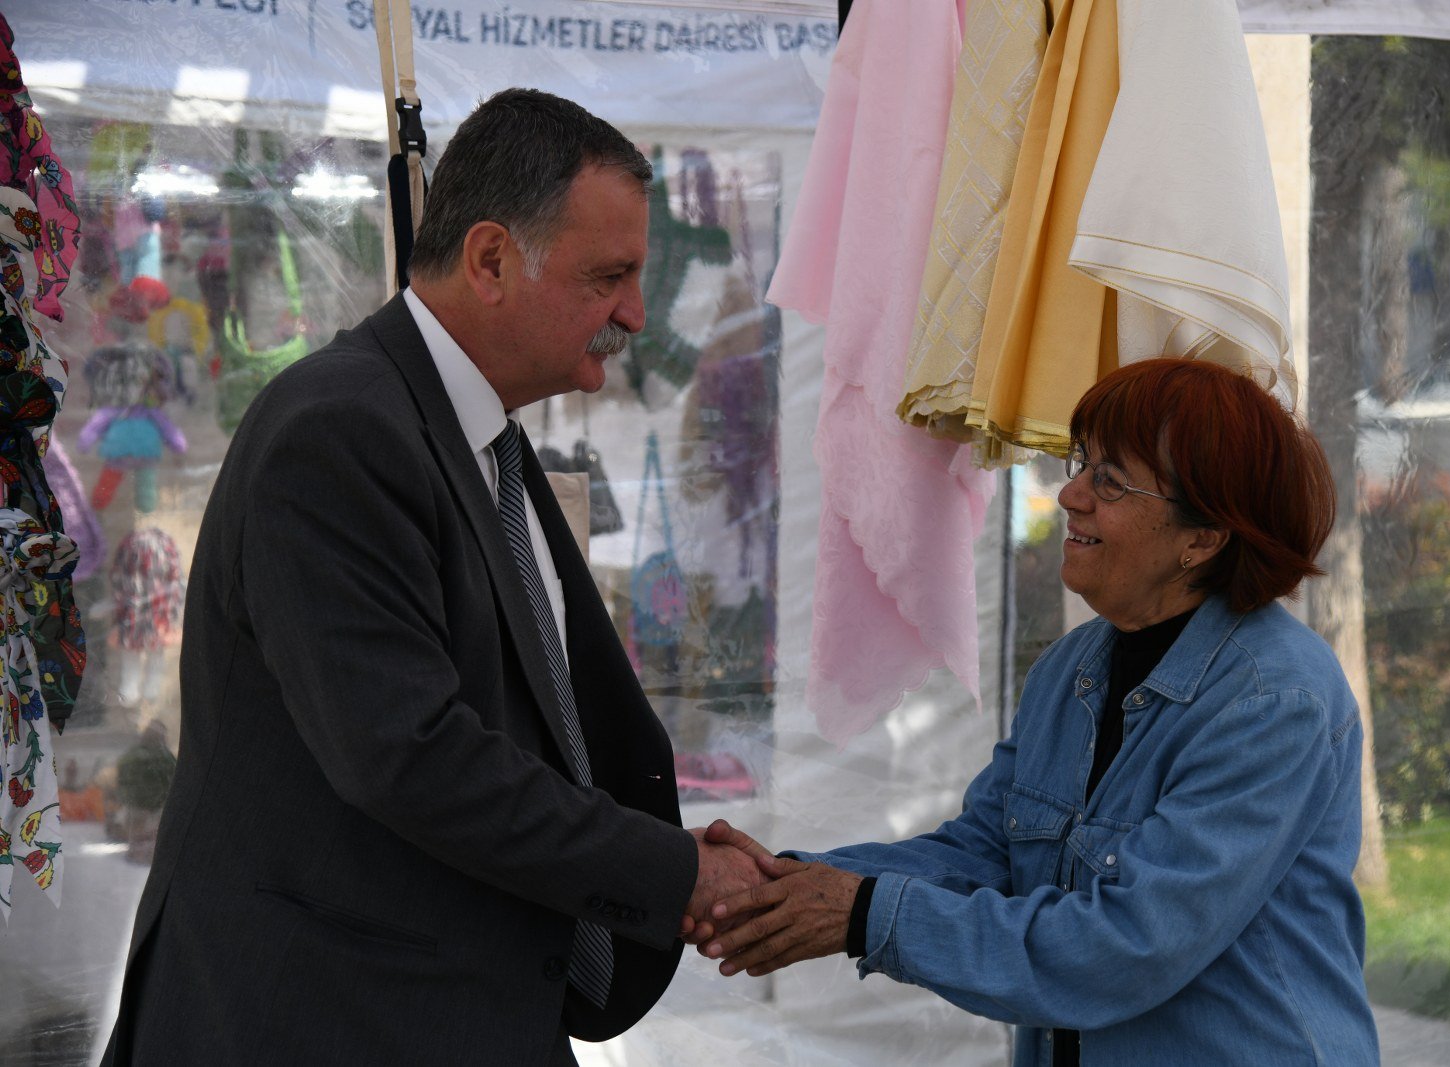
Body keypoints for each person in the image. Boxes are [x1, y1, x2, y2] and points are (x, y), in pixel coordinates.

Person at [101, 89, 766, 1065]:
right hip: (319, 1022)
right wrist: (674, 874)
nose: (632, 312)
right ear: (490, 259)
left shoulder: (474, 434)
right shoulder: (340, 431)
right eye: (609, 276)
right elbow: (410, 755)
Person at [691, 358, 1381, 1065]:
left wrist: (861, 912)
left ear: (1202, 538)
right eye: (1082, 465)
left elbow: (1126, 948)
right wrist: (785, 885)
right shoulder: (1071, 668)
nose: (1070, 494)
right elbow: (985, 854)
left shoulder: (1274, 701)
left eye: (1111, 481)